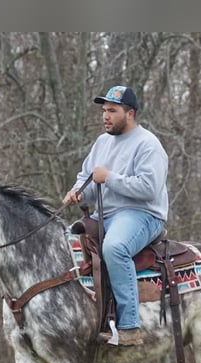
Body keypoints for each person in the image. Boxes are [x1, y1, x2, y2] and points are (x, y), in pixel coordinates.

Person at [62, 85, 169, 346]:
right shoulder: (102, 142)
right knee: (62, 243)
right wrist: (78, 192)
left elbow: (149, 188)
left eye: (112, 110)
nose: (105, 116)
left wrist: (109, 178)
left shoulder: (148, 144)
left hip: (142, 214)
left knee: (115, 247)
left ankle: (129, 327)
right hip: (105, 215)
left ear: (129, 113)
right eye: (104, 111)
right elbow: (86, 178)